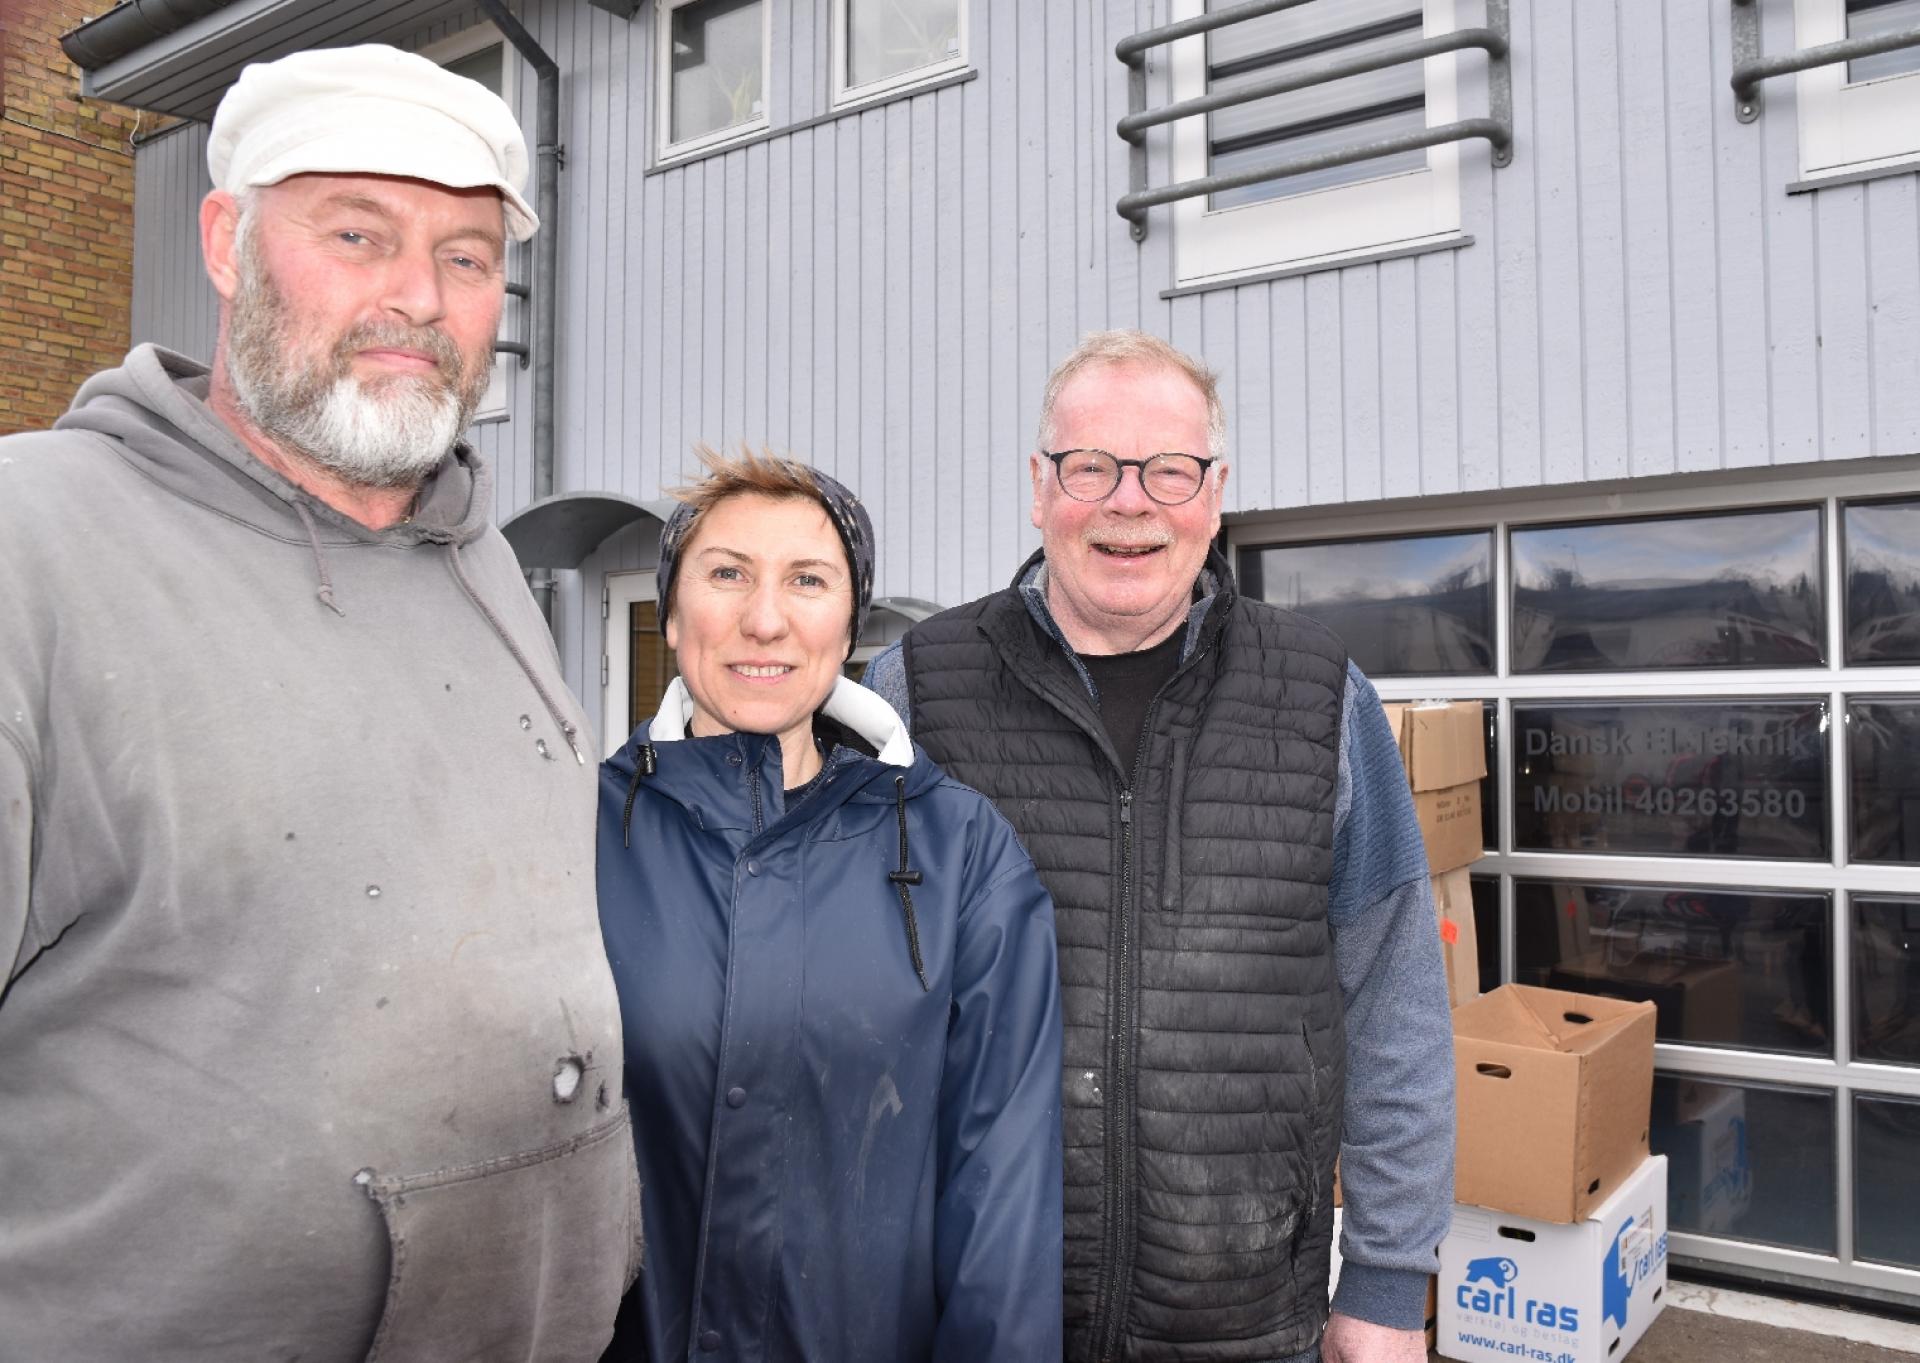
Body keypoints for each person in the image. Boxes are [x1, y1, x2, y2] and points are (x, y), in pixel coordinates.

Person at [0, 45, 640, 1362]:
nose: (419, 296)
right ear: (228, 242)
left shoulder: (484, 561)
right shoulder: (34, 548)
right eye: (360, 233)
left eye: (467, 257)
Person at [865, 330, 1456, 1363]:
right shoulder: (914, 692)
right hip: (981, 1312)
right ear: (1039, 489)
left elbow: (1395, 1006)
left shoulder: (1322, 698)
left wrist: (1387, 1284)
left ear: (1215, 494)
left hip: (1244, 1317)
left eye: (1169, 470)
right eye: (1091, 466)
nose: (1130, 502)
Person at [597, 448, 1064, 1362]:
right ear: (672, 607)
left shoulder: (960, 853)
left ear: (850, 620)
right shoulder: (575, 831)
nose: (763, 618)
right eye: (727, 572)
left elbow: (1002, 1202)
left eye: (807, 579)